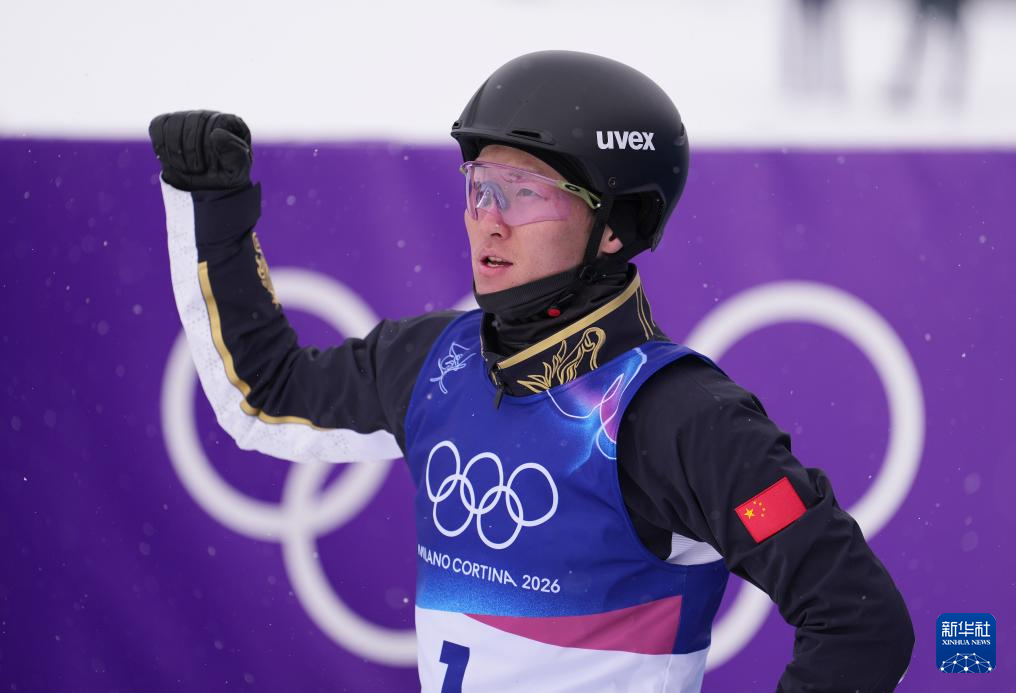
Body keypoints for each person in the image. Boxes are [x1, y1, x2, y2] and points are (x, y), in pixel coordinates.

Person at [150, 50, 914, 692]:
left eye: (527, 195)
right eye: (480, 186)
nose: (490, 217)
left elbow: (859, 618)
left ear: (614, 226)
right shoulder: (436, 362)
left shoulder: (680, 415)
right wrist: (211, 208)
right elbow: (265, 395)